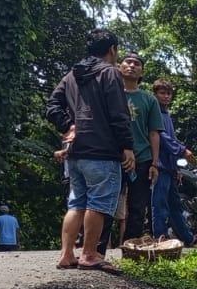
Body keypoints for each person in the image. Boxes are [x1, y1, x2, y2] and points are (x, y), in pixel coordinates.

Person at [46, 28, 135, 271]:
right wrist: (127, 146)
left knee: (76, 203)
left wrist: (68, 126)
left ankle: (66, 255)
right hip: (102, 151)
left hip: (75, 152)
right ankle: (89, 254)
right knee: (98, 202)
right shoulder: (110, 73)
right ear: (113, 50)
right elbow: (119, 114)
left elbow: (52, 105)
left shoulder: (72, 75)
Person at [118, 52, 162, 243]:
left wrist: (154, 163)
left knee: (138, 207)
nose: (132, 65)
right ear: (120, 66)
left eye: (137, 63)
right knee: (106, 204)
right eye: (128, 62)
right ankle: (97, 248)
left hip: (142, 159)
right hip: (113, 157)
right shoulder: (111, 93)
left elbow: (154, 133)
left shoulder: (149, 99)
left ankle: (131, 248)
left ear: (142, 71)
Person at [149, 79, 195, 245]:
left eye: (169, 93)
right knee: (159, 204)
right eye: (162, 93)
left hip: (169, 165)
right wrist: (183, 150)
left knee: (175, 205)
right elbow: (163, 137)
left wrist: (176, 166)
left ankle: (188, 238)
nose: (166, 96)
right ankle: (159, 238)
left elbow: (172, 138)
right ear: (155, 94)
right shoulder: (154, 113)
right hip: (159, 165)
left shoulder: (166, 114)